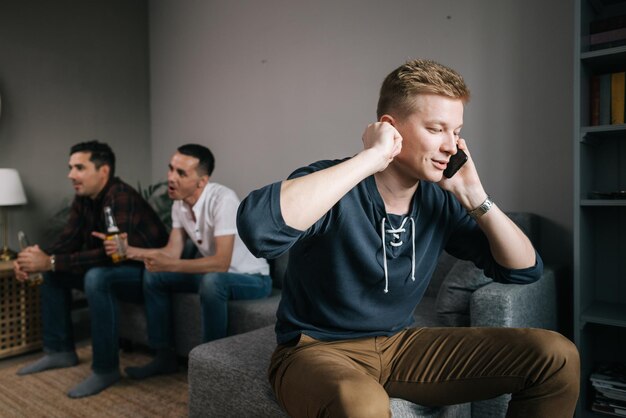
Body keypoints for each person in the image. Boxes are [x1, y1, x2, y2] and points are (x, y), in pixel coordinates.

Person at [236, 59, 580, 417]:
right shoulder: (335, 182)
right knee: (363, 404)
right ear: (390, 128)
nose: (451, 146)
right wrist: (371, 158)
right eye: (436, 129)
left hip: (400, 344)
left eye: (457, 131)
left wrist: (474, 194)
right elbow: (260, 232)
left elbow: (524, 270)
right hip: (315, 349)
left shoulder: (439, 201)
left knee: (555, 355)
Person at [96, 144, 271, 379]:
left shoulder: (223, 199)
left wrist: (168, 264)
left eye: (181, 173)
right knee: (155, 276)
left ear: (201, 181)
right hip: (216, 276)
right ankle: (163, 356)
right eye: (170, 169)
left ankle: (211, 366)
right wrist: (129, 251)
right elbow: (172, 252)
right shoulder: (179, 203)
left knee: (212, 282)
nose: (170, 178)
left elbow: (220, 263)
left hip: (253, 279)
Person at [13, 140, 168, 398]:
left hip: (148, 273)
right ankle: (60, 351)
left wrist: (49, 262)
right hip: (115, 270)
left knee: (97, 277)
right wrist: (34, 258)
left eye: (79, 167)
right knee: (54, 273)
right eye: (70, 167)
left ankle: (106, 369)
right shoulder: (84, 198)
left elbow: (114, 257)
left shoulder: (121, 196)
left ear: (103, 171)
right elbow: (68, 240)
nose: (70, 174)